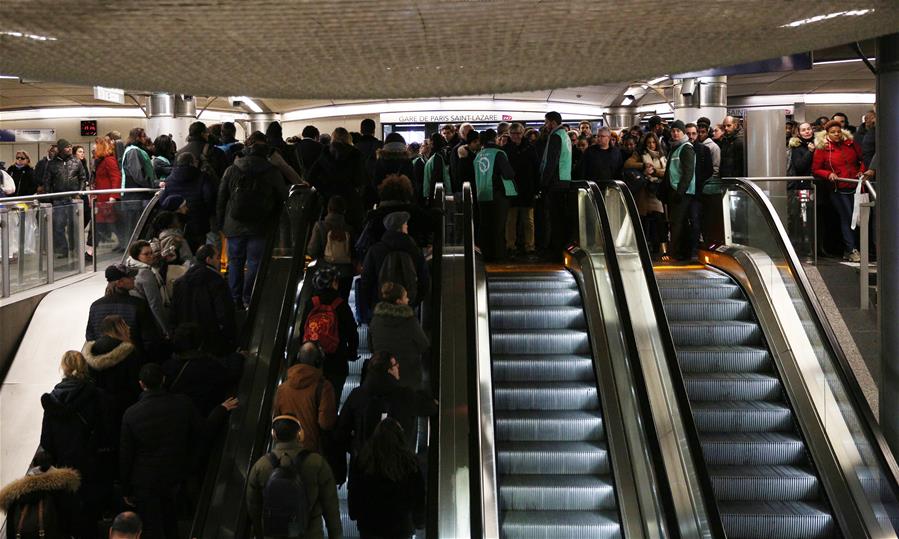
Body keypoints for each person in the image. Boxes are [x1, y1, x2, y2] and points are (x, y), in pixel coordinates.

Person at [119, 363, 201, 539]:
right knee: (172, 522)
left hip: (145, 482)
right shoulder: (182, 403)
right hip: (175, 476)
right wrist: (221, 410)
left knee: (151, 527)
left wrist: (125, 488)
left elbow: (126, 455)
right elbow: (200, 432)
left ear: (141, 384)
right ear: (163, 380)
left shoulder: (131, 414)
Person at [40, 351, 113, 537]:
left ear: (63, 368)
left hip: (66, 469)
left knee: (72, 516)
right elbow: (107, 430)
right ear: (84, 367)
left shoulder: (52, 401)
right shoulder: (97, 396)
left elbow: (46, 441)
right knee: (93, 514)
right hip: (94, 464)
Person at [217, 131, 289, 308]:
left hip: (234, 225)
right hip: (260, 225)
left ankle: (235, 299)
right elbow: (283, 197)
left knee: (235, 262)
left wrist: (221, 225)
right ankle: (249, 297)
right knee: (255, 262)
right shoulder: (271, 171)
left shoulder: (232, 169)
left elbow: (221, 198)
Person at [246, 415, 342, 539]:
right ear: (300, 434)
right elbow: (331, 508)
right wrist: (336, 535)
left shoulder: (260, 466)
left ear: (273, 435)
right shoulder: (318, 463)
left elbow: (253, 506)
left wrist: (260, 533)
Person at [336, 351, 438, 459]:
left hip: (363, 466)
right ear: (388, 370)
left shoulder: (357, 395)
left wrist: (357, 449)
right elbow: (431, 408)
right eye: (395, 364)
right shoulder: (405, 396)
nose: (398, 366)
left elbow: (340, 432)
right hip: (397, 466)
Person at [348, 418, 425, 539]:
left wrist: (356, 514)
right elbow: (419, 498)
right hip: (401, 529)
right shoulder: (410, 464)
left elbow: (354, 497)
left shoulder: (363, 462)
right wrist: (419, 521)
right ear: (400, 437)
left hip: (370, 528)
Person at [358, 211, 430, 322]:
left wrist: (373, 304)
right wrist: (413, 301)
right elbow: (424, 280)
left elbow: (366, 281)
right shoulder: (414, 251)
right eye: (405, 224)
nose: (407, 226)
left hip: (380, 306)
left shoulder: (375, 250)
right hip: (407, 306)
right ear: (400, 227)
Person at [301, 266, 359, 400]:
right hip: (336, 361)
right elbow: (352, 331)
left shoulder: (311, 303)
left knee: (312, 400)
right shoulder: (340, 304)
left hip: (313, 361)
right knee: (332, 399)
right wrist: (352, 353)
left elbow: (302, 329)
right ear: (333, 283)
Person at [161, 323, 242, 417]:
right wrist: (238, 356)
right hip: (205, 414)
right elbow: (230, 374)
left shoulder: (167, 366)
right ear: (199, 345)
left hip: (181, 416)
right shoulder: (206, 365)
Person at [812, 119, 865, 262]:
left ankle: (859, 248)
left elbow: (862, 159)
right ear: (827, 134)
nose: (836, 134)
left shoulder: (851, 144)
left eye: (838, 131)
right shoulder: (822, 148)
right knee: (848, 217)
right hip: (838, 189)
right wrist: (828, 174)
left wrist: (861, 171)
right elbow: (816, 169)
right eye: (833, 132)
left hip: (856, 187)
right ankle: (851, 249)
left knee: (860, 218)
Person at [273, 341, 338, 454]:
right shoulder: (324, 387)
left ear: (298, 357)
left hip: (285, 451)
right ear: (318, 361)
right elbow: (325, 423)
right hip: (310, 452)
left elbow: (276, 418)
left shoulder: (282, 388)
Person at [171, 244, 237, 355]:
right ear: (208, 259)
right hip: (210, 338)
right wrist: (229, 337)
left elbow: (174, 311)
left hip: (186, 338)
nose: (219, 261)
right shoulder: (217, 281)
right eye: (217, 257)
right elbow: (224, 312)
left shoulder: (180, 282)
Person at [0, 449, 80, 539]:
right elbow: (72, 523)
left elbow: (10, 529)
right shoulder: (62, 489)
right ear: (53, 464)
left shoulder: (15, 494)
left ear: (33, 465)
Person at [82, 314, 142, 428]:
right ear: (117, 328)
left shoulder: (91, 351)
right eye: (124, 325)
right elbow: (134, 379)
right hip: (125, 403)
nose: (128, 328)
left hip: (100, 404)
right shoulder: (129, 350)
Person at [87, 264, 159, 353]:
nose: (134, 278)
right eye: (130, 277)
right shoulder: (138, 305)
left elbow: (90, 337)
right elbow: (150, 338)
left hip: (103, 360)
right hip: (132, 360)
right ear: (120, 283)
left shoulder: (95, 306)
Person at [369, 282, 429, 389]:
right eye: (405, 297)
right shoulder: (409, 321)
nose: (408, 300)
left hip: (383, 376)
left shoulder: (375, 320)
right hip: (408, 377)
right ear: (398, 301)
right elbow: (423, 344)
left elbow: (371, 346)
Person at [307, 127, 367, 230]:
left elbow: (311, 176)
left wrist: (324, 189)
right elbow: (360, 179)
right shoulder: (355, 154)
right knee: (351, 233)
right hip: (350, 200)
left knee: (328, 233)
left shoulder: (325, 153)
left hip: (329, 201)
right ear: (348, 138)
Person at [474, 129, 517, 262]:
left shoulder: (478, 155)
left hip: (482, 194)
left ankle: (486, 254)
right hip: (498, 194)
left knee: (485, 225)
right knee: (498, 227)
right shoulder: (499, 153)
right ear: (496, 138)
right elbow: (508, 173)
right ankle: (499, 255)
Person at [159, 152, 216, 252]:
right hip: (199, 220)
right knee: (199, 250)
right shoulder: (202, 177)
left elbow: (163, 202)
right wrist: (207, 213)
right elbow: (209, 197)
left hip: (177, 224)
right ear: (192, 163)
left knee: (180, 253)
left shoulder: (169, 179)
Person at [539, 111, 574, 260]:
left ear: (552, 122)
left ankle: (555, 251)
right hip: (565, 179)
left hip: (555, 181)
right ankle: (560, 248)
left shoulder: (555, 136)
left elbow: (552, 161)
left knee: (554, 218)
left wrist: (544, 183)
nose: (545, 125)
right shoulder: (565, 135)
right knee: (561, 216)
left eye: (546, 122)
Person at [45, 138, 88, 258]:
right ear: (60, 149)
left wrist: (80, 192)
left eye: (70, 146)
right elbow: (47, 181)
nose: (69, 148)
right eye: (66, 147)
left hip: (73, 198)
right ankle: (63, 249)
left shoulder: (76, 162)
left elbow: (82, 177)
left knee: (75, 225)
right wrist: (49, 198)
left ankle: (75, 248)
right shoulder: (52, 164)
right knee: (58, 226)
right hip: (58, 198)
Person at [308, 195, 356, 300]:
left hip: (324, 273)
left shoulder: (319, 226)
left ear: (328, 209)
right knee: (342, 302)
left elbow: (312, 250)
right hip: (345, 274)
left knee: (323, 302)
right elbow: (354, 252)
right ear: (344, 211)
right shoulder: (349, 229)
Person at [503, 123, 539, 259]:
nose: (515, 136)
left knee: (527, 220)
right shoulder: (508, 149)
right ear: (509, 134)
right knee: (511, 219)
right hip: (513, 188)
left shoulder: (529, 148)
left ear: (522, 133)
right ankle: (511, 245)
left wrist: (536, 188)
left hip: (527, 188)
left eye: (518, 133)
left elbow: (536, 169)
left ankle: (529, 246)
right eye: (513, 134)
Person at [664, 120, 698, 262]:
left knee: (677, 222)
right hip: (675, 190)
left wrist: (681, 191)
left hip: (682, 192)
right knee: (678, 222)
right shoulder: (675, 148)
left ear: (683, 132)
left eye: (678, 130)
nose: (675, 133)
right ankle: (681, 252)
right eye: (673, 131)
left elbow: (688, 172)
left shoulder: (686, 148)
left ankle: (674, 253)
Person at [125, 240, 172, 339]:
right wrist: (166, 329)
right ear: (137, 256)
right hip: (150, 319)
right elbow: (155, 303)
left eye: (151, 252)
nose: (151, 256)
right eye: (146, 254)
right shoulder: (146, 273)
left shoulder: (129, 267)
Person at [92, 137, 124, 246]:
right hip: (103, 198)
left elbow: (116, 177)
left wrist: (114, 196)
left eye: (96, 144)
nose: (94, 147)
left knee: (111, 223)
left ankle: (123, 244)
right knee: (109, 224)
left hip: (107, 199)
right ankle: (122, 244)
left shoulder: (108, 160)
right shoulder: (102, 160)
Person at [372, 132, 414, 203]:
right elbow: (413, 183)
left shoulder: (380, 161)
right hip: (404, 202)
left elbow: (375, 183)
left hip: (384, 202)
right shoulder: (407, 161)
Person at [422, 132, 451, 200]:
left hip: (435, 194)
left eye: (430, 140)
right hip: (438, 193)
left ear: (432, 142)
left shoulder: (437, 157)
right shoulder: (439, 155)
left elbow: (436, 178)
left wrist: (432, 195)